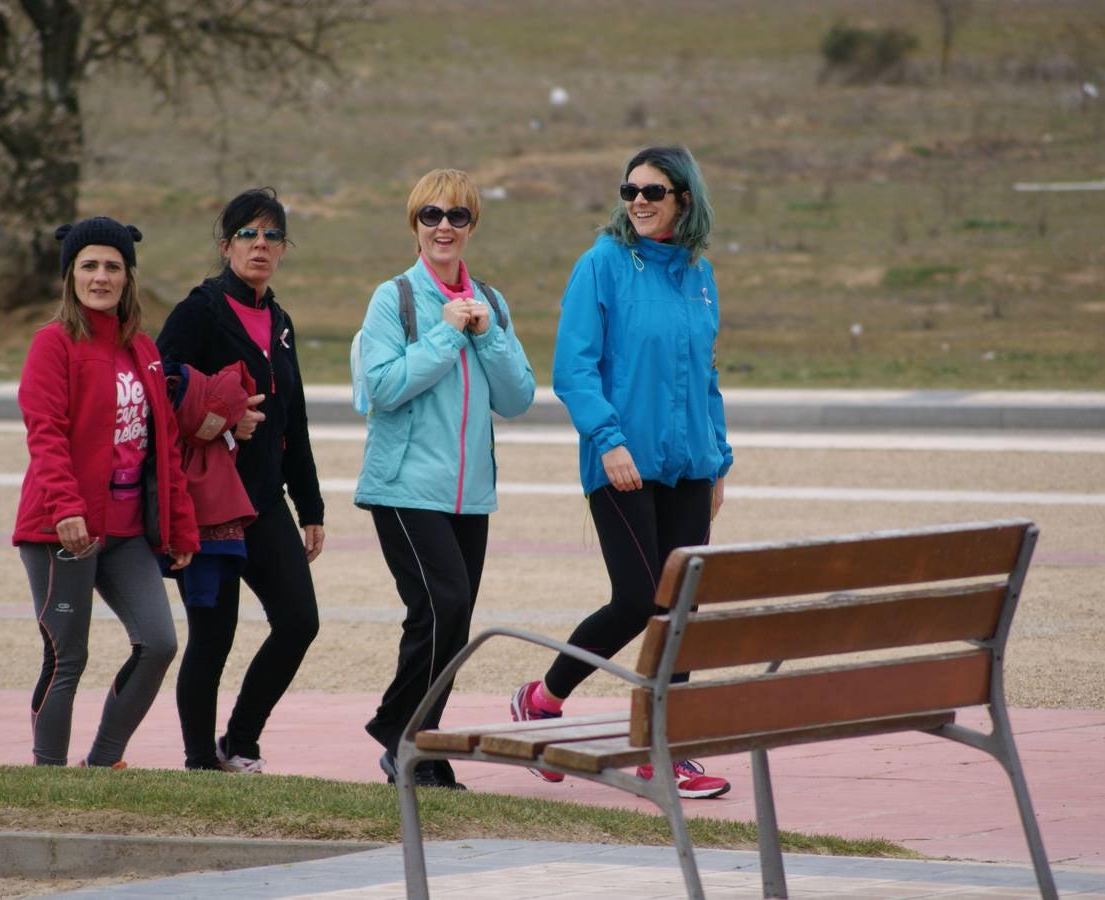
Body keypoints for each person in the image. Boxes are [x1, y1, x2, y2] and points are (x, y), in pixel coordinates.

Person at [510, 146, 734, 799]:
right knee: (639, 600)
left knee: (680, 609)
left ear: (683, 200)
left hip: (688, 465)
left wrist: (718, 461)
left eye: (654, 191)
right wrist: (607, 440)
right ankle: (544, 699)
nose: (638, 200)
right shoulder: (601, 265)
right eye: (630, 189)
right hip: (622, 463)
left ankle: (665, 750)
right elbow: (573, 370)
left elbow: (706, 376)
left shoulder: (698, 272)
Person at [355, 169, 535, 790]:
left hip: (469, 493)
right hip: (403, 486)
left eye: (457, 216)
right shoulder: (394, 298)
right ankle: (403, 736)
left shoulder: (490, 301)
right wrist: (446, 331)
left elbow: (518, 398)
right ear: (415, 223)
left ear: (472, 225)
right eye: (431, 215)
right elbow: (382, 387)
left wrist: (487, 334)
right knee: (444, 603)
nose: (443, 227)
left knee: (448, 621)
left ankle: (415, 745)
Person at [13, 216, 198, 768]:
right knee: (68, 655)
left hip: (126, 532)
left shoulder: (142, 347)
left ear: (128, 277)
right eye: (89, 266)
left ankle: (103, 762)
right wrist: (66, 508)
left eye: (112, 267)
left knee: (159, 643)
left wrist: (181, 525)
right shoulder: (53, 344)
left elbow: (163, 444)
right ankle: (48, 776)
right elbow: (44, 432)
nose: (101, 277)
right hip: (61, 531)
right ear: (71, 276)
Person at [156, 187, 325, 773]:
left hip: (266, 499)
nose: (260, 245)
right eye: (248, 234)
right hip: (209, 503)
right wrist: (224, 415)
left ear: (283, 249)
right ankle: (201, 762)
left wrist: (311, 505)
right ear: (225, 245)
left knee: (300, 622)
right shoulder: (200, 309)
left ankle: (242, 741)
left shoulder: (279, 321)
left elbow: (294, 417)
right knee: (213, 637)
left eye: (272, 235)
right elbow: (163, 386)